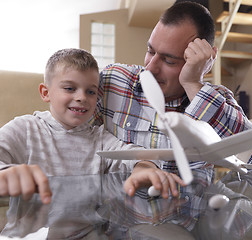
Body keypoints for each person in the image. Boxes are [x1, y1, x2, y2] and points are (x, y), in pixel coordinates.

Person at [90, 1, 252, 178]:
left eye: (169, 61)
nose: (151, 68)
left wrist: (193, 84)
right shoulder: (114, 80)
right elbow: (72, 133)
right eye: (150, 51)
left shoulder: (218, 100)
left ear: (203, 62)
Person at [0, 48, 184, 205]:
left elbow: (137, 155)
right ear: (46, 93)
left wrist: (144, 169)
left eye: (91, 91)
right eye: (70, 88)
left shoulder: (100, 139)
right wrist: (8, 173)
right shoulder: (25, 128)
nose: (82, 97)